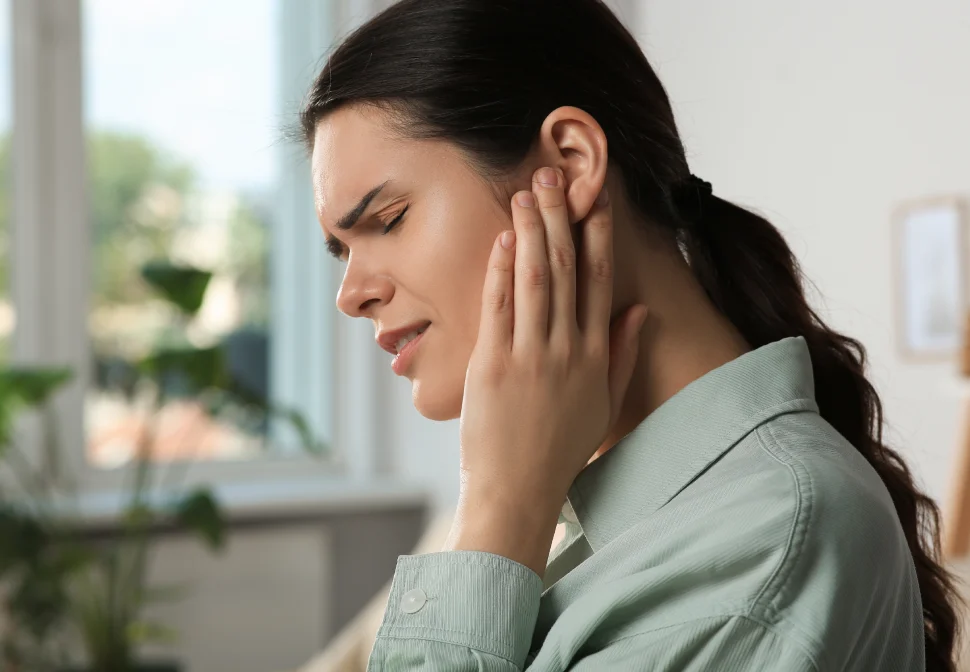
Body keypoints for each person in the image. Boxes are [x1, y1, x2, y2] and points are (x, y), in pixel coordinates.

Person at [297, 0, 961, 669]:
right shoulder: (557, 507)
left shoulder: (760, 549)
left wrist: (500, 504)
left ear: (569, 163)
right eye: (341, 252)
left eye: (389, 219)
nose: (351, 296)